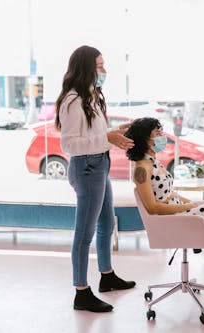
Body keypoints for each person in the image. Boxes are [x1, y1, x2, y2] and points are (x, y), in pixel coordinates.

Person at [55, 45, 136, 313]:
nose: (104, 71)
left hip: (99, 164)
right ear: (86, 67)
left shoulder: (92, 97)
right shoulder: (73, 100)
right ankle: (81, 292)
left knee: (105, 224)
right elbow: (70, 145)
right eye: (99, 66)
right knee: (84, 234)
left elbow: (93, 135)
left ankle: (107, 276)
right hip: (87, 168)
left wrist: (113, 133)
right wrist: (106, 138)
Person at [125, 117, 204, 278]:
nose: (162, 136)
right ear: (145, 139)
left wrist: (192, 204)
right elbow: (152, 207)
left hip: (182, 214)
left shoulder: (155, 163)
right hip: (173, 220)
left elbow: (170, 194)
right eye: (157, 133)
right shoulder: (141, 169)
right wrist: (187, 207)